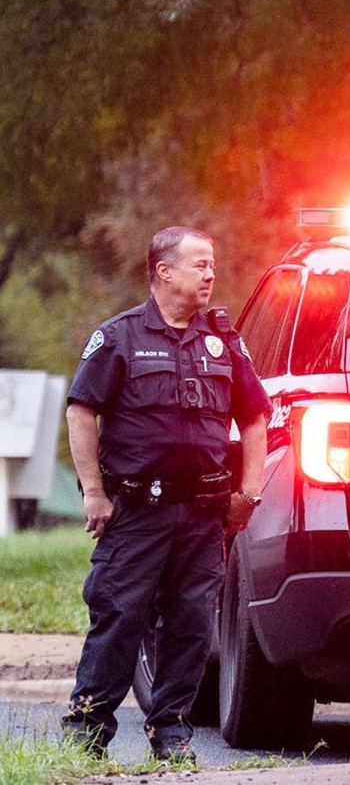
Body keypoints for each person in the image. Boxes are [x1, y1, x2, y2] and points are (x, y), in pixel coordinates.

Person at [61, 226, 270, 764]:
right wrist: (93, 493)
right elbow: (81, 410)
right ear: (164, 272)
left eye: (213, 264)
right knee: (119, 616)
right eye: (199, 264)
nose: (210, 274)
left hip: (203, 515)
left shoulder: (224, 341)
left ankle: (172, 732)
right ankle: (87, 732)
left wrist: (249, 492)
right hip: (137, 511)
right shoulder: (120, 337)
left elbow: (254, 418)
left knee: (192, 625)